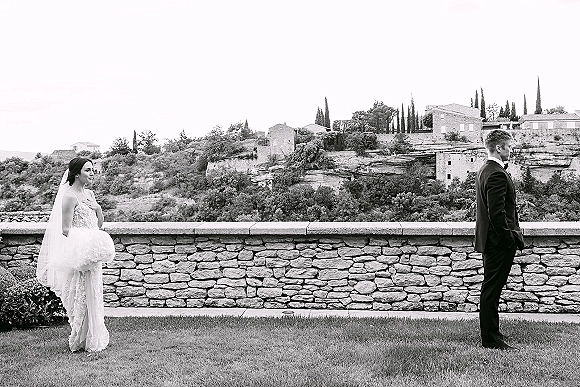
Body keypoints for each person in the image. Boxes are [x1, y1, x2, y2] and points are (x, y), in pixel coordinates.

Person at [36, 157, 115, 352]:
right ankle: (80, 337)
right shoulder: (69, 196)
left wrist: (98, 208)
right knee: (81, 294)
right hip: (80, 253)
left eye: (93, 170)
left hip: (92, 253)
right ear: (77, 173)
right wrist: (85, 242)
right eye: (88, 170)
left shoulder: (90, 193)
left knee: (94, 293)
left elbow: (98, 225)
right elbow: (65, 229)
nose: (92, 174)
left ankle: (93, 337)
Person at [475, 129, 524, 350]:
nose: (510, 150)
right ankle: (490, 340)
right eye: (509, 146)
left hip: (491, 241)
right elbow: (496, 214)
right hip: (498, 243)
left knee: (492, 289)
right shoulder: (495, 173)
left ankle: (493, 333)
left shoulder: (485, 169)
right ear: (498, 148)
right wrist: (509, 240)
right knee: (491, 290)